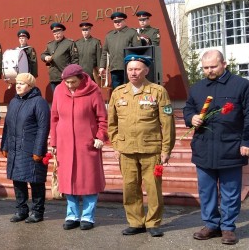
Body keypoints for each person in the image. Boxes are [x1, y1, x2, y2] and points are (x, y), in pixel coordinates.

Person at [183, 50, 249, 246]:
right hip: (203, 147)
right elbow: (188, 108)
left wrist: (246, 141)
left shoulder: (241, 85)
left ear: (224, 64)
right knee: (207, 190)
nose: (209, 71)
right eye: (205, 68)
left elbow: (248, 115)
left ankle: (228, 227)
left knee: (230, 190)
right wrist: (190, 118)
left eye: (213, 66)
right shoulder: (197, 88)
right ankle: (211, 224)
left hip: (231, 146)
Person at [107, 55, 175, 237]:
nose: (133, 73)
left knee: (153, 187)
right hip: (126, 150)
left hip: (151, 150)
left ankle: (153, 223)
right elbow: (111, 124)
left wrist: (166, 149)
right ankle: (135, 222)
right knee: (130, 188)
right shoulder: (118, 92)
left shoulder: (158, 91)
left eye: (137, 69)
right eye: (130, 69)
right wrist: (116, 145)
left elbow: (167, 124)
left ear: (146, 71)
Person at [50, 64, 108, 230]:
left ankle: (88, 216)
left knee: (89, 180)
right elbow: (54, 118)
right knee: (68, 180)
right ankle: (72, 215)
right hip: (65, 144)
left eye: (72, 82)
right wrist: (53, 142)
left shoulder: (93, 90)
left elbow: (102, 118)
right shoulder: (59, 91)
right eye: (67, 82)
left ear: (81, 78)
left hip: (87, 144)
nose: (69, 85)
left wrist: (100, 136)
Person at [0, 73, 50, 224]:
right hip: (15, 149)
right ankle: (21, 210)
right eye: (17, 84)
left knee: (35, 181)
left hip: (31, 149)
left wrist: (38, 150)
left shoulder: (39, 102)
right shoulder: (14, 102)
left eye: (22, 84)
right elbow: (7, 126)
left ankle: (37, 211)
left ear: (30, 86)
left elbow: (43, 128)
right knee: (18, 180)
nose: (18, 86)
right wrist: (4, 145)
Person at [99, 12, 141, 89]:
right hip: (115, 68)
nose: (117, 23)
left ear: (124, 21)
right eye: (115, 22)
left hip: (129, 68)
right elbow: (104, 52)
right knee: (117, 92)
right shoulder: (109, 35)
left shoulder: (132, 33)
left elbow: (138, 50)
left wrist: (137, 66)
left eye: (119, 21)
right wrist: (102, 66)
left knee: (130, 90)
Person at [41, 23, 78, 93]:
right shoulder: (50, 44)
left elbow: (75, 60)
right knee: (56, 98)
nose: (56, 36)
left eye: (58, 33)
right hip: (53, 77)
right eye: (55, 34)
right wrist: (46, 57)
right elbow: (43, 54)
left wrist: (72, 74)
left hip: (65, 77)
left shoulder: (69, 43)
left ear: (62, 32)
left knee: (67, 97)